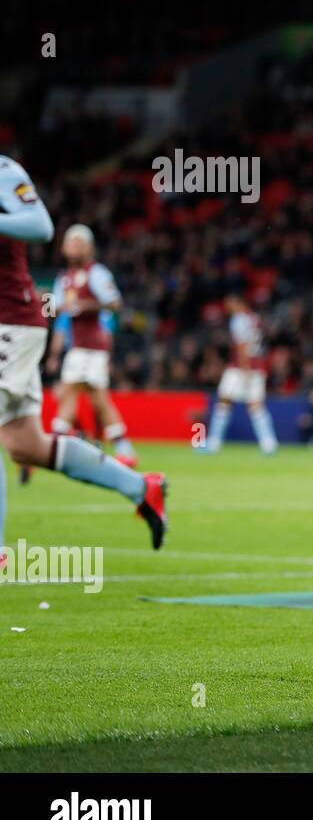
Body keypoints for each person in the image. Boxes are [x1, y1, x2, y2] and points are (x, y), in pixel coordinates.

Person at [0, 156, 166, 570]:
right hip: (26, 329)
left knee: (87, 395)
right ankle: (141, 487)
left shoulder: (3, 170)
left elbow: (39, 225)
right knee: (25, 444)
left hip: (11, 323)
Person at [47, 224, 136, 466]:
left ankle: (57, 443)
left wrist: (88, 305)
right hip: (77, 346)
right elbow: (51, 307)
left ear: (89, 247)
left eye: (79, 243)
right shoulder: (63, 278)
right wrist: (44, 304)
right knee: (90, 398)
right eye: (70, 243)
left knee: (74, 394)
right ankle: (122, 448)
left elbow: (115, 302)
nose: (73, 247)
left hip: (93, 346)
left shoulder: (97, 273)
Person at [203, 294, 278, 455]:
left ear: (239, 302)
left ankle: (213, 444)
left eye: (229, 303)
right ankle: (269, 444)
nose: (227, 308)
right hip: (256, 366)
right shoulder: (254, 318)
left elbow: (242, 345)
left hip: (241, 367)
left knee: (224, 399)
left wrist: (245, 370)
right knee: (255, 404)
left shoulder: (238, 320)